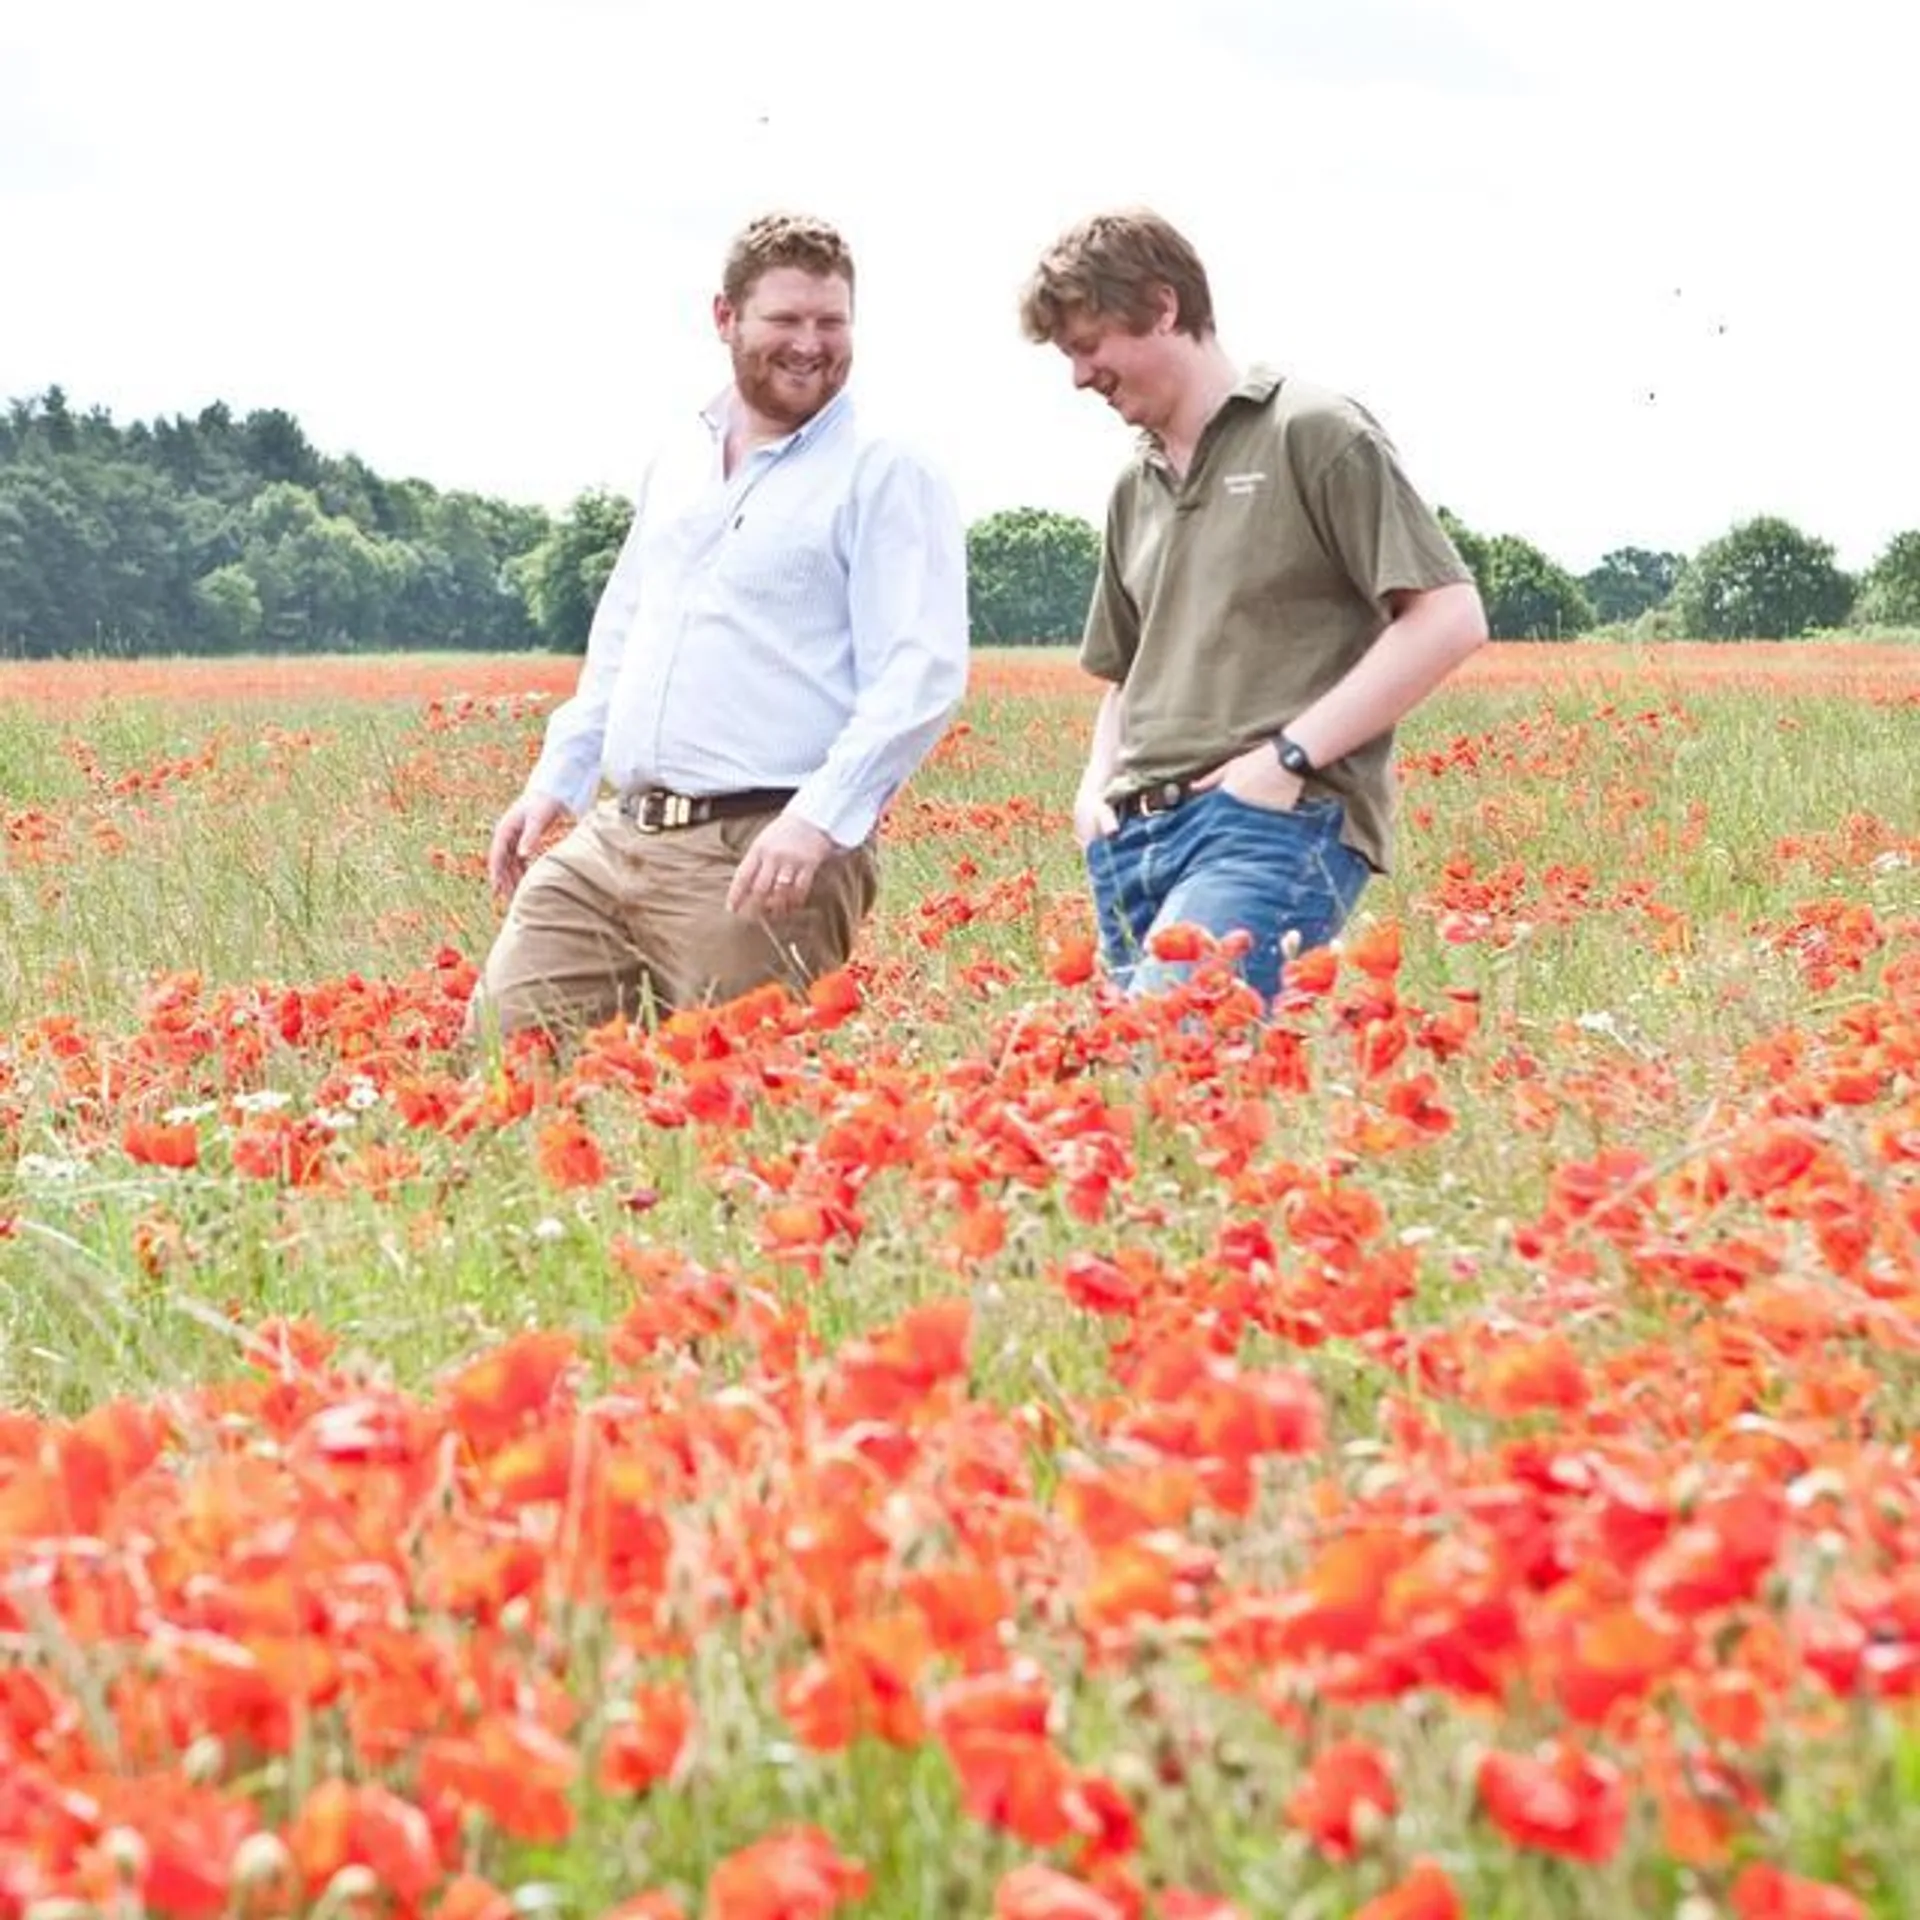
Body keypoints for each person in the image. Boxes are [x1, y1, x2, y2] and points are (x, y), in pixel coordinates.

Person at [472, 211, 969, 1040]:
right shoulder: (679, 458)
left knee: (744, 1110)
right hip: (615, 836)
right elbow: (626, 633)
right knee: (504, 1051)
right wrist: (555, 779)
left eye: (832, 323)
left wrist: (816, 821)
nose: (811, 343)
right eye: (785, 321)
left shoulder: (883, 469)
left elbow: (920, 673)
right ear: (725, 318)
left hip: (763, 852)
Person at [1018, 208, 1489, 1004]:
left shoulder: (1312, 432)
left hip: (1267, 824)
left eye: (1089, 346)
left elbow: (1449, 617)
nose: (1079, 377)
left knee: (1170, 1061)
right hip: (1132, 840)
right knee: (1163, 1109)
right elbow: (1128, 672)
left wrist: (1287, 761)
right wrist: (1094, 787)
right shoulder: (1135, 486)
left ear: (1162, 307)